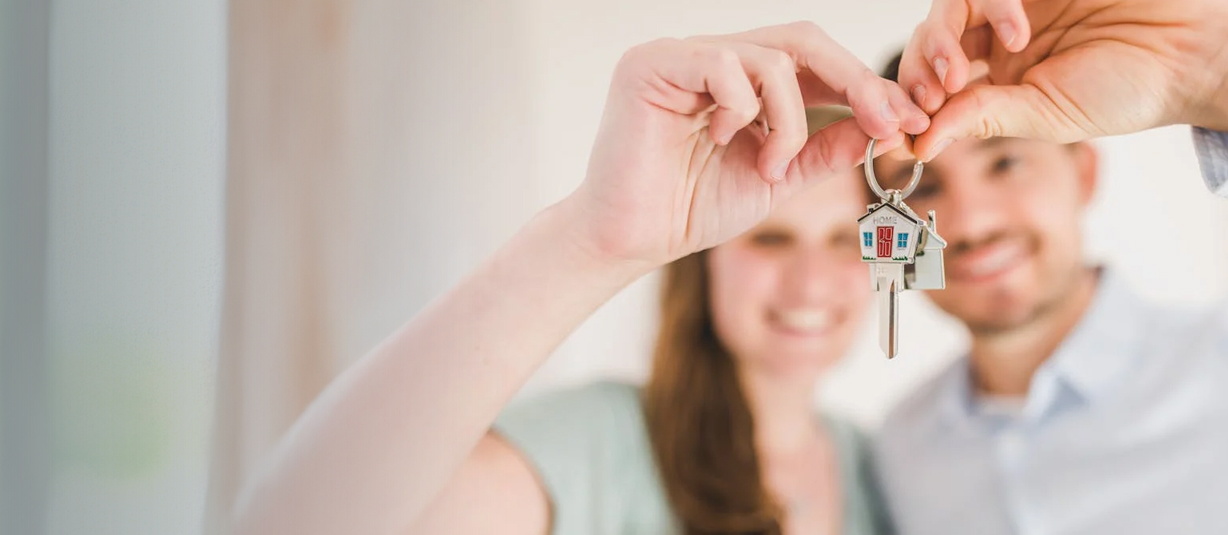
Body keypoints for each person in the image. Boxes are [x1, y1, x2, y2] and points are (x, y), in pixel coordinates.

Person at [230, 23, 930, 535]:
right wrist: (593, 240)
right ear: (708, 261)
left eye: (844, 240)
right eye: (772, 239)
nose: (811, 281)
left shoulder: (880, 463)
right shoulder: (604, 442)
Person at [868, 0, 1228, 533]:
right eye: (923, 187)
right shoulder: (894, 453)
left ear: (1082, 172)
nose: (969, 224)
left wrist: (1214, 72)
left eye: (1006, 161)